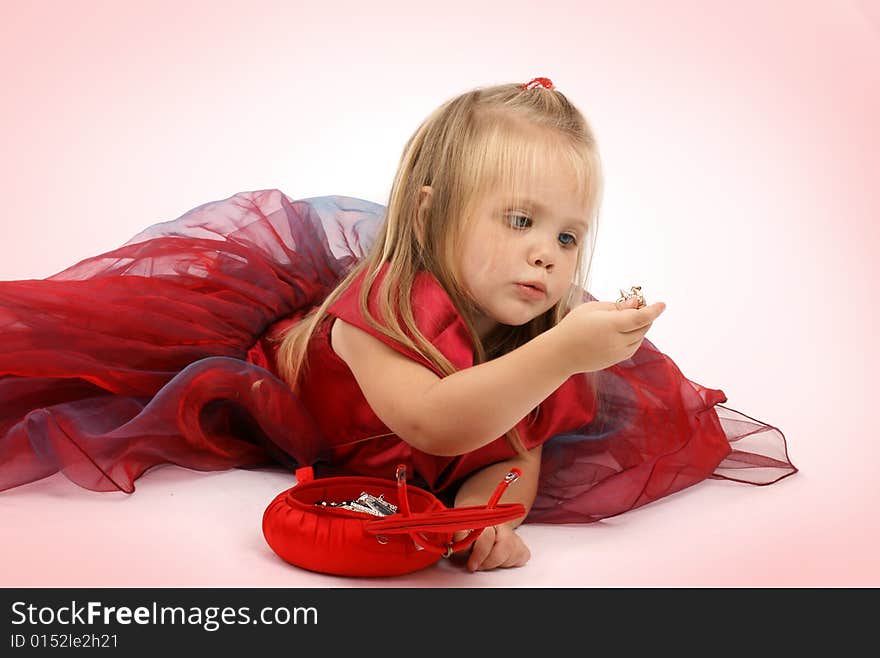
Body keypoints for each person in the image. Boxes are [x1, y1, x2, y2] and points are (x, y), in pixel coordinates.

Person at [0, 77, 797, 573]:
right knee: (72, 368)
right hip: (291, 393)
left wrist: (489, 518)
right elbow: (434, 422)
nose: (547, 255)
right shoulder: (386, 303)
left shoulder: (537, 336)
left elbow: (512, 452)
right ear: (433, 212)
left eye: (565, 235)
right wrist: (560, 352)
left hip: (422, 450)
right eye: (519, 220)